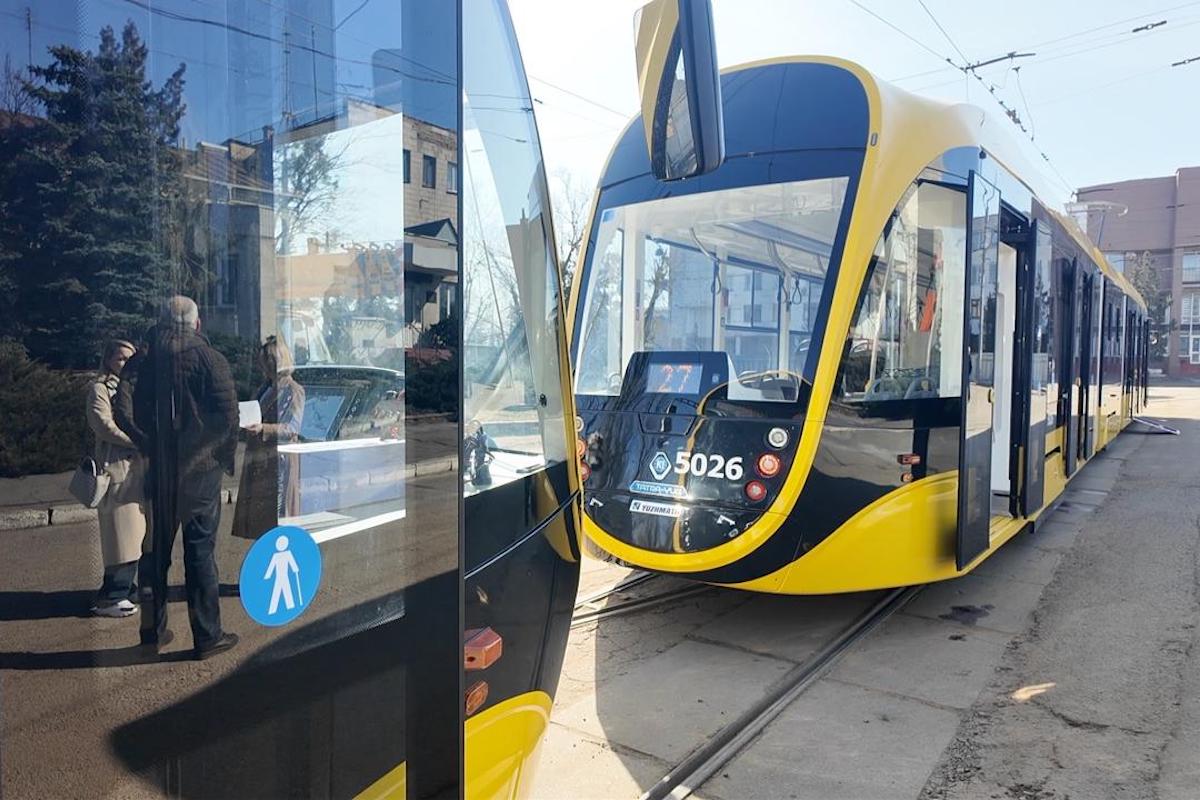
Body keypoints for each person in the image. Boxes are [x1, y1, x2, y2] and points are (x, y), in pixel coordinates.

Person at [124, 296, 239, 659]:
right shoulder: (210, 359)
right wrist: (221, 458)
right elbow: (228, 418)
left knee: (155, 552)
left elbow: (125, 410)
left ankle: (152, 632)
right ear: (197, 324)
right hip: (200, 473)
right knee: (200, 551)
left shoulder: (146, 360)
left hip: (160, 469)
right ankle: (207, 637)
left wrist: (148, 445)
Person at [86, 339, 147, 617]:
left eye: (130, 358)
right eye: (121, 358)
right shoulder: (100, 389)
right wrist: (137, 441)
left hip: (138, 469)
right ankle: (111, 596)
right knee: (121, 535)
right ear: (109, 360)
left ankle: (126, 588)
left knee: (136, 535)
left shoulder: (135, 388)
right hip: (117, 468)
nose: (126, 363)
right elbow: (103, 425)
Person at [232, 336, 305, 540]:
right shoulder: (266, 387)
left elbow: (293, 428)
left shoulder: (293, 390)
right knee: (260, 519)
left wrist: (264, 428)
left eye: (266, 363)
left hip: (279, 461)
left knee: (277, 516)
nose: (262, 367)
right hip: (261, 459)